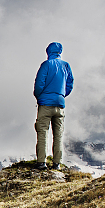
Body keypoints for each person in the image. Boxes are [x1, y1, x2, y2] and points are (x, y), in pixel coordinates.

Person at [32, 42, 73, 170]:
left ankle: (41, 162)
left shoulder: (46, 65)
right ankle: (57, 163)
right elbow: (69, 84)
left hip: (45, 104)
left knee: (43, 132)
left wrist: (39, 97)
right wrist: (61, 95)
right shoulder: (66, 66)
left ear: (48, 52)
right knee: (59, 134)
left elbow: (39, 84)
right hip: (60, 105)